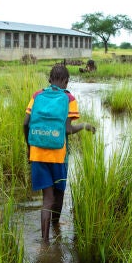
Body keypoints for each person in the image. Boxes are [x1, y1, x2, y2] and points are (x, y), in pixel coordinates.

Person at [23, 64, 96, 243]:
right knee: (59, 193)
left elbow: (26, 124)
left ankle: (45, 243)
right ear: (66, 81)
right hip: (58, 156)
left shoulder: (37, 95)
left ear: (49, 79)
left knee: (47, 199)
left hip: (38, 154)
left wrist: (29, 148)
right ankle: (56, 227)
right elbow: (68, 130)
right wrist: (85, 125)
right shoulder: (69, 98)